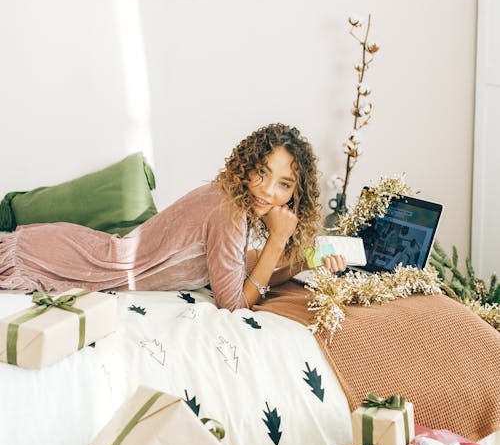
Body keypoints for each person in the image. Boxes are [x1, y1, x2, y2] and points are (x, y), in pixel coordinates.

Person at [0, 123, 346, 310]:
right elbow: (234, 303)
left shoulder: (228, 201)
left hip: (72, 251)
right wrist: (278, 239)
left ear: (295, 195)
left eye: (283, 184)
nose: (268, 190)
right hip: (58, 259)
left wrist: (304, 260)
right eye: (261, 172)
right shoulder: (228, 211)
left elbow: (234, 268)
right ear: (246, 165)